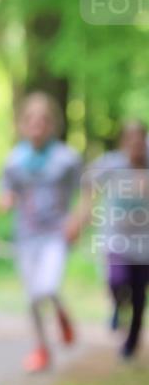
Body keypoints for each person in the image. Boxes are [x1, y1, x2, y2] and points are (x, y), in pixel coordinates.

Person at [0, 92, 82, 373]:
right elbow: (5, 190)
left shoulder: (67, 159)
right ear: (22, 124)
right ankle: (42, 349)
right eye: (30, 120)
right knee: (32, 297)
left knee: (47, 287)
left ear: (53, 125)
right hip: (26, 235)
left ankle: (61, 314)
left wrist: (77, 221)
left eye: (43, 120)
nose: (37, 126)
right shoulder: (14, 160)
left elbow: (86, 193)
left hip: (55, 235)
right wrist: (5, 199)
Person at [67, 119, 149, 362]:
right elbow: (88, 181)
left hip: (145, 243)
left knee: (139, 295)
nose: (136, 145)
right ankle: (115, 304)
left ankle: (131, 344)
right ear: (123, 142)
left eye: (140, 139)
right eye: (130, 140)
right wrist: (83, 215)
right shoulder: (112, 164)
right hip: (117, 239)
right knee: (117, 280)